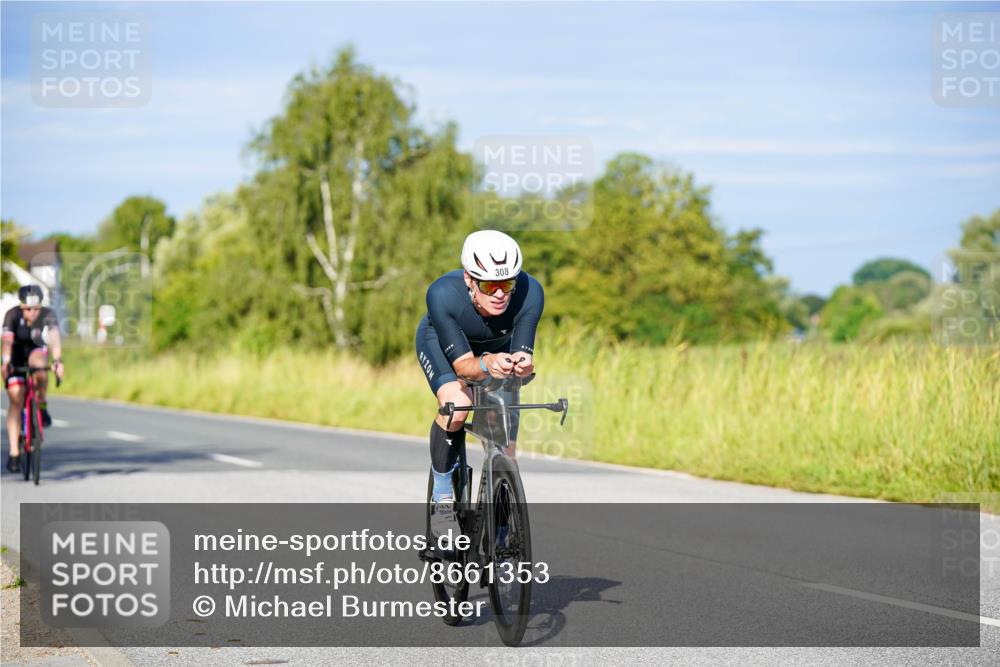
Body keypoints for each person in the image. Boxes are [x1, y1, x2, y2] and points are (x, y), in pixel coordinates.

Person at [415, 230, 544, 537]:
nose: (500, 294)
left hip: (496, 349)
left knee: (505, 441)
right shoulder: (442, 294)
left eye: (507, 284)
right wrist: (487, 363)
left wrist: (522, 365)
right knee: (458, 405)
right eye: (489, 285)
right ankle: (442, 499)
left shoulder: (531, 292)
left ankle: (502, 530)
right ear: (469, 280)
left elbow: (523, 355)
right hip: (443, 345)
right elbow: (464, 367)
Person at [2, 284, 64, 472]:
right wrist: (6, 361)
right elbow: (7, 342)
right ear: (22, 307)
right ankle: (14, 452)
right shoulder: (12, 315)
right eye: (29, 309)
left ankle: (41, 405)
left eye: (36, 308)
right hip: (15, 355)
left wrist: (58, 361)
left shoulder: (47, 314)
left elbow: (54, 337)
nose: (33, 312)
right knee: (16, 397)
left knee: (41, 368)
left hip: (35, 351)